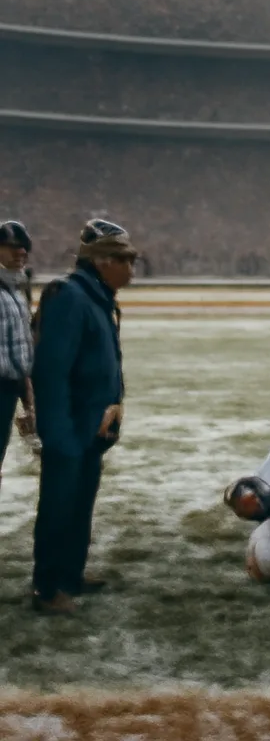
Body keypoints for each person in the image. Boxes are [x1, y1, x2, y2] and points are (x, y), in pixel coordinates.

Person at [31, 219, 137, 614]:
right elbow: (51, 371)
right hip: (69, 429)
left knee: (79, 507)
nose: (131, 269)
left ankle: (71, 574)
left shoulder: (97, 297)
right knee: (59, 507)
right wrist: (58, 434)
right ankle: (47, 589)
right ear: (102, 261)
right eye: (125, 260)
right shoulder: (70, 297)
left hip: (91, 429)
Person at [0, 220, 35, 494]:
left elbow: (21, 351)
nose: (21, 252)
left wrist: (28, 398)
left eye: (24, 248)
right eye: (12, 246)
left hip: (9, 389)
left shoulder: (17, 291)